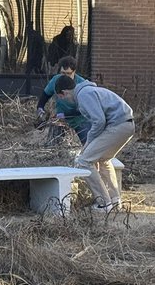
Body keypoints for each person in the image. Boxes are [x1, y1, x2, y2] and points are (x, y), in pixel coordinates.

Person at [54, 75, 135, 212]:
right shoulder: (88, 91)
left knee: (84, 161)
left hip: (118, 125)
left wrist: (88, 143)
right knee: (104, 159)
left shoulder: (84, 95)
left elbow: (99, 121)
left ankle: (104, 203)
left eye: (62, 97)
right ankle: (115, 201)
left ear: (65, 92)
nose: (65, 101)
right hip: (126, 124)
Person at [35, 56, 90, 145]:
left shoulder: (82, 84)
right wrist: (40, 108)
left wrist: (64, 115)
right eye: (63, 73)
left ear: (74, 72)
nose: (65, 76)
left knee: (89, 144)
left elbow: (85, 109)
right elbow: (45, 95)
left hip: (80, 119)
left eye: (68, 73)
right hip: (60, 120)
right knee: (53, 146)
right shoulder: (56, 80)